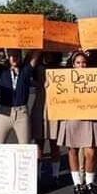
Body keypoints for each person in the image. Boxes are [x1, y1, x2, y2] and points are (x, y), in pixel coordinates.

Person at [57, 52, 97, 194]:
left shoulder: (94, 78)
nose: (81, 65)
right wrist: (49, 87)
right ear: (73, 65)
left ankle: (89, 182)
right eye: (78, 62)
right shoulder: (65, 79)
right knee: (72, 150)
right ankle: (77, 183)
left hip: (89, 117)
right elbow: (57, 94)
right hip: (72, 116)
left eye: (83, 62)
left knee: (91, 152)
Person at [0, 38, 38, 144]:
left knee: (24, 147)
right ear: (8, 56)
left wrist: (37, 37)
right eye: (11, 55)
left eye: (16, 55)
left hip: (21, 114)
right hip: (4, 113)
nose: (14, 58)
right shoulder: (3, 71)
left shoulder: (26, 71)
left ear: (20, 56)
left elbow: (36, 54)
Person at [31, 51, 62, 186]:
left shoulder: (61, 69)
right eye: (46, 52)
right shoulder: (37, 68)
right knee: (39, 144)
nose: (49, 54)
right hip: (40, 107)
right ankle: (37, 175)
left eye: (51, 52)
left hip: (56, 108)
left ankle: (55, 175)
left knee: (55, 144)